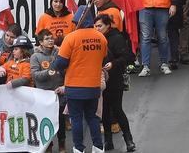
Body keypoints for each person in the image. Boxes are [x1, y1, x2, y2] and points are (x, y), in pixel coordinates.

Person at [50, 8, 108, 153]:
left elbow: (61, 62)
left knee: (76, 120)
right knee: (93, 118)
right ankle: (98, 147)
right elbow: (104, 58)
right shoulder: (101, 38)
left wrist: (59, 66)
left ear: (77, 20)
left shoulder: (71, 37)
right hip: (94, 86)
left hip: (75, 86)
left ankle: (79, 148)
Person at [96, 14, 136, 152]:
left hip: (115, 80)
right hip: (101, 81)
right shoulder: (96, 39)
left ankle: (129, 140)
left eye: (99, 26)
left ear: (108, 25)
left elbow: (129, 57)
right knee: (105, 112)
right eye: (95, 26)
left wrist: (113, 63)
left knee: (117, 110)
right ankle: (108, 141)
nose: (97, 28)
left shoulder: (117, 38)